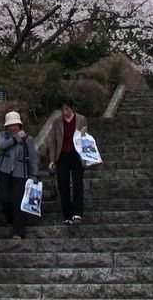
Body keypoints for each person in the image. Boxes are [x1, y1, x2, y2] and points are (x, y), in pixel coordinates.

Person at [0, 110, 39, 240]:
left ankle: (18, 232)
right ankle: (10, 219)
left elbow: (33, 158)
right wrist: (15, 137)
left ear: (19, 125)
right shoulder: (4, 135)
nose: (12, 127)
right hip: (5, 170)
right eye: (10, 125)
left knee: (18, 201)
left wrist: (34, 174)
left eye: (15, 124)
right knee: (4, 199)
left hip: (21, 173)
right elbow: (2, 145)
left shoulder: (28, 139)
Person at [46, 96, 88, 226]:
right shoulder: (57, 121)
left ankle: (77, 213)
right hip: (62, 156)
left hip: (77, 155)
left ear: (72, 107)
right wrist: (52, 160)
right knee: (63, 185)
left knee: (77, 183)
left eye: (67, 109)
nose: (65, 112)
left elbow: (86, 140)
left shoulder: (81, 119)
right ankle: (67, 215)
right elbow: (52, 141)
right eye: (62, 109)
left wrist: (83, 134)